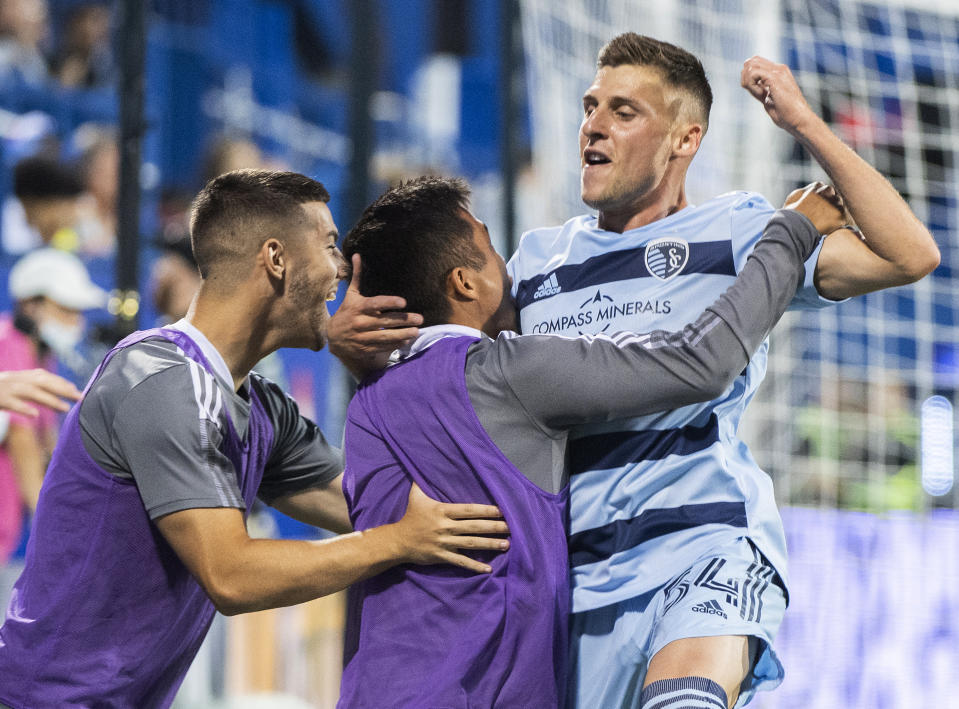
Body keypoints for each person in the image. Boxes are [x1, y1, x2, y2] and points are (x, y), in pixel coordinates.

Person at [329, 36, 939, 709]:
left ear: (683, 140)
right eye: (591, 107)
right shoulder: (537, 261)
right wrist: (356, 347)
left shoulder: (740, 230)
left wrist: (803, 123)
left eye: (623, 111)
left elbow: (909, 253)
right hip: (581, 576)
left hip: (704, 542)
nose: (591, 124)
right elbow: (446, 354)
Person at [0, 170, 508, 709]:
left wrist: (381, 369)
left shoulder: (260, 405)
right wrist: (395, 543)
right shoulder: (160, 380)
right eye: (330, 245)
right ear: (276, 259)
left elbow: (375, 504)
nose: (341, 269)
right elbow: (232, 575)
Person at [334, 175, 837, 707]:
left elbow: (346, 500)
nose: (511, 269)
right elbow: (700, 363)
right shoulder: (511, 373)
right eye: (492, 249)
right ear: (463, 283)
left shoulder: (365, 409)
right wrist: (792, 233)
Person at [0, 247, 106, 565]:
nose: (75, 321)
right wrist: (53, 532)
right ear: (31, 305)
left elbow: (46, 439)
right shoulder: (8, 345)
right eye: (65, 309)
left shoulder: (41, 355)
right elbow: (22, 439)